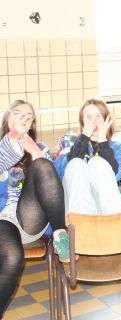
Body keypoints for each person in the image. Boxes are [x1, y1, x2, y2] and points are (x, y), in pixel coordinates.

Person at [0, 100, 69, 318]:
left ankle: (61, 235)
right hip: (3, 220)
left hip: (30, 218)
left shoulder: (40, 148)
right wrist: (13, 136)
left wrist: (36, 154)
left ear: (32, 124)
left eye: (28, 117)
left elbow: (53, 187)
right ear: (7, 118)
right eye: (17, 114)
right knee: (13, 256)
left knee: (43, 165)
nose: (22, 119)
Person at [54, 98, 121, 215]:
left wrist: (102, 141)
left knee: (97, 162)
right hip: (78, 206)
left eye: (98, 116)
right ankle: (82, 221)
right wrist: (83, 138)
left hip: (106, 206)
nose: (93, 121)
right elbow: (60, 170)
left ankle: (119, 219)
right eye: (88, 117)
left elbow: (117, 174)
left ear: (106, 119)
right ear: (82, 121)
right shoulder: (68, 142)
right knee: (76, 163)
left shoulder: (118, 147)